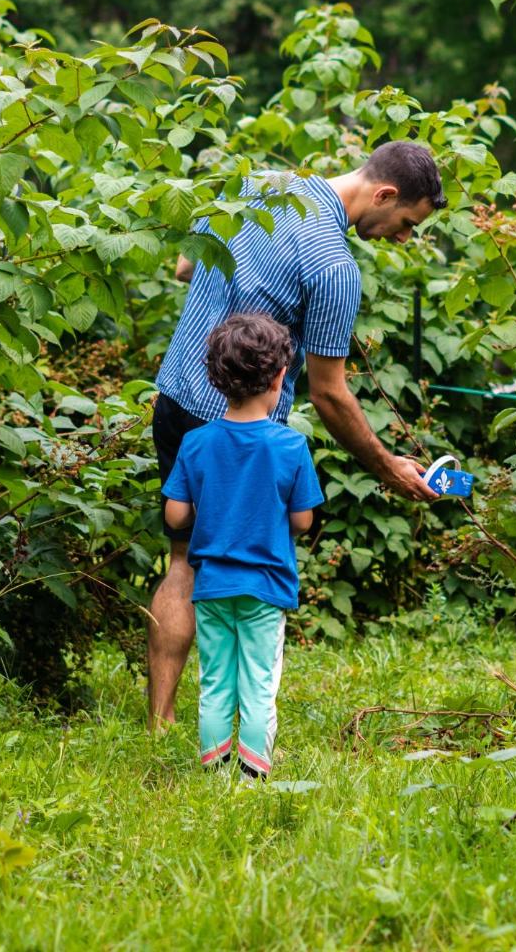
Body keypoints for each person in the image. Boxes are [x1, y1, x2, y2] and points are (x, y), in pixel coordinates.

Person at [149, 140, 446, 729]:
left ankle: (161, 721)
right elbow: (329, 393)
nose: (403, 238)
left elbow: (186, 266)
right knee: (250, 570)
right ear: (384, 195)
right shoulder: (335, 266)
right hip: (247, 433)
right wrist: (388, 467)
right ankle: (245, 718)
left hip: (176, 396)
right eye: (407, 223)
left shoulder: (262, 182)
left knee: (181, 561)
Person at [161, 314, 323, 776]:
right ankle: (253, 775)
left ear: (215, 379)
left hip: (211, 586)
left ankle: (214, 771)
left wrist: (204, 506)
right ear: (278, 379)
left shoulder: (196, 443)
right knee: (258, 683)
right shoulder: (290, 446)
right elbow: (302, 520)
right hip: (265, 587)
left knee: (215, 682)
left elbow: (175, 516)